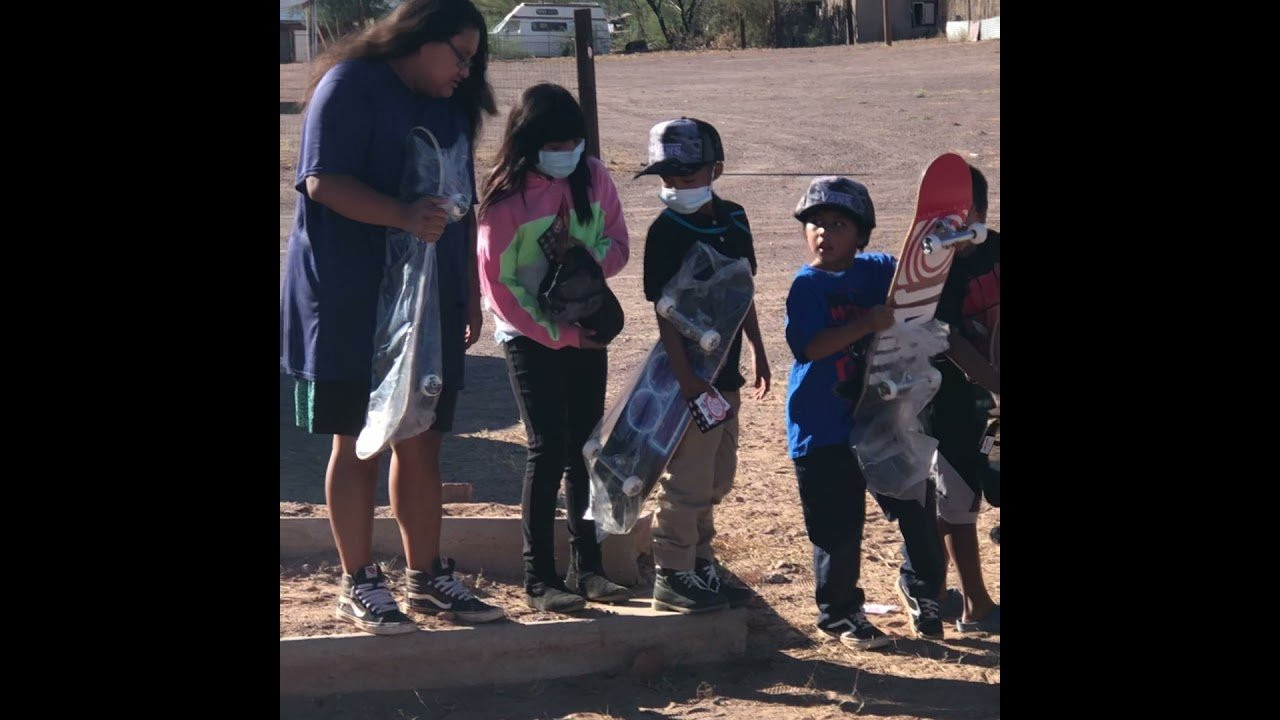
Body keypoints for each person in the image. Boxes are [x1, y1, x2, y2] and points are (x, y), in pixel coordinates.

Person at [280, 0, 505, 635]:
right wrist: (404, 216)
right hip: (350, 299)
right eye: (459, 56)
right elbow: (323, 181)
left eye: (473, 60)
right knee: (357, 439)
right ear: (417, 36)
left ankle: (426, 577)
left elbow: (459, 201)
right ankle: (358, 583)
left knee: (422, 435)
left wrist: (466, 291)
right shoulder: (350, 85)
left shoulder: (448, 106)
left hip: (428, 304)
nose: (466, 71)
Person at [477, 83, 633, 613]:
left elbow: (618, 246)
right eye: (555, 142)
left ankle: (588, 567)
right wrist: (561, 334)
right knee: (548, 448)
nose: (567, 151)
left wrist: (584, 256)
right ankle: (539, 576)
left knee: (587, 448)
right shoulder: (505, 197)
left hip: (587, 327)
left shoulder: (593, 176)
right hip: (529, 337)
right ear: (529, 141)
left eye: (575, 141)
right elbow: (500, 287)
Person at [783, 176, 948, 649]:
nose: (824, 233)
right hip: (821, 425)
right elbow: (811, 347)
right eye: (815, 222)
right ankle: (839, 614)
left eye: (837, 224)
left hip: (882, 417)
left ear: (861, 234)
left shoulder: (876, 270)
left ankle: (923, 590)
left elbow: (916, 280)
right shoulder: (806, 284)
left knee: (915, 501)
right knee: (838, 524)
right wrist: (865, 324)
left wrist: (941, 239)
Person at [637, 117, 770, 614]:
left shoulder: (734, 218)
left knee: (718, 474)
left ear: (716, 169)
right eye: (667, 178)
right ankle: (672, 572)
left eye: (686, 176)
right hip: (687, 378)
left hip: (725, 373)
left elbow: (743, 289)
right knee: (688, 476)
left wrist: (757, 345)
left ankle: (702, 562)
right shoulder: (664, 232)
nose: (675, 187)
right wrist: (688, 380)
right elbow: (665, 312)